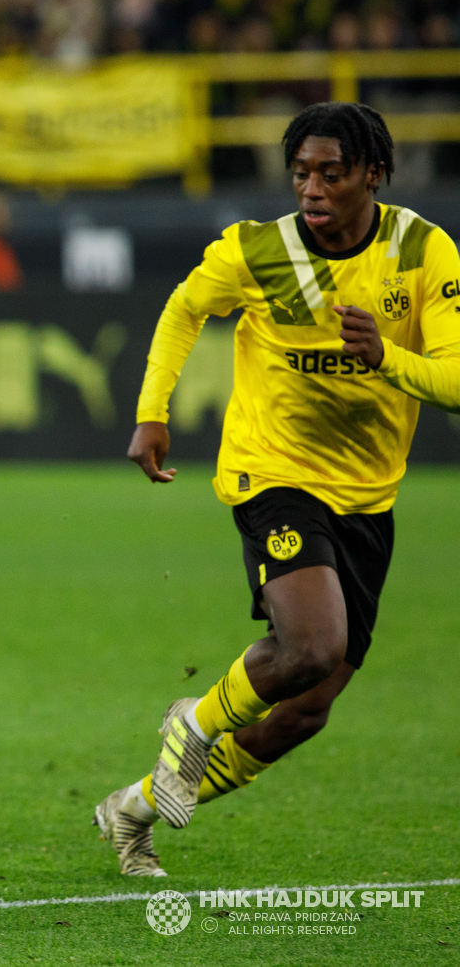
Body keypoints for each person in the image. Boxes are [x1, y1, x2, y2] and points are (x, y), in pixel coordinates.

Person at [94, 102, 460, 877]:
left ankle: (135, 807)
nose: (313, 188)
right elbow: (186, 307)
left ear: (373, 173)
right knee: (313, 644)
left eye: (331, 172)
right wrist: (151, 412)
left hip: (368, 498)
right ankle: (193, 721)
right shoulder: (257, 251)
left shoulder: (424, 252)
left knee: (306, 705)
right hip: (275, 474)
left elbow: (457, 380)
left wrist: (386, 359)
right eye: (301, 173)